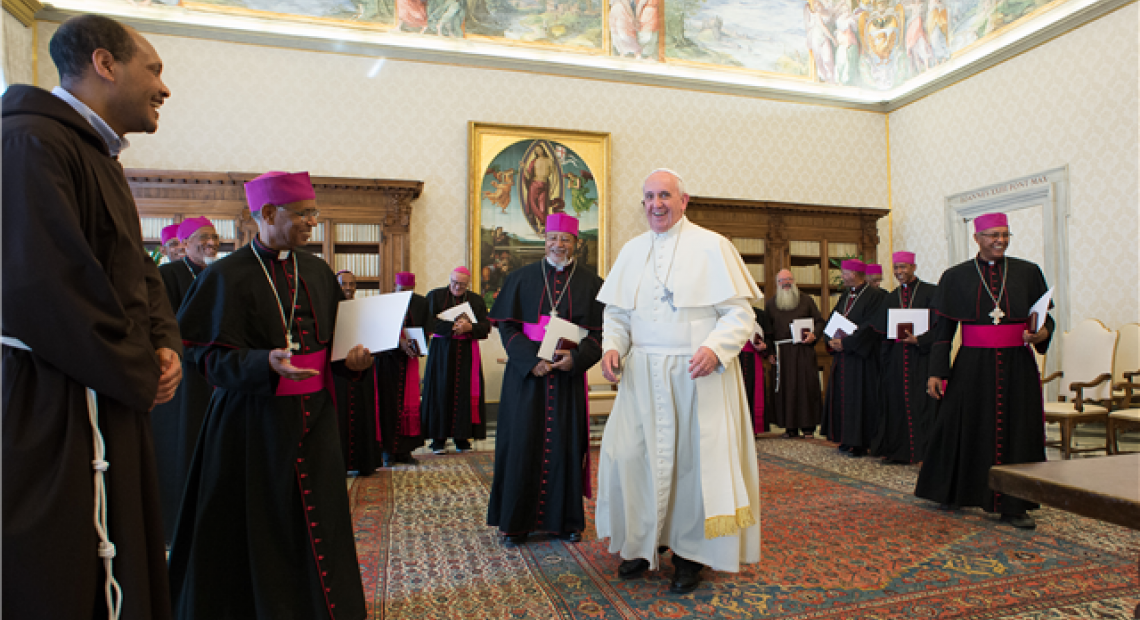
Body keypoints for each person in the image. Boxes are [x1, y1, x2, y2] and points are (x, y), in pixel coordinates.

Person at [2, 14, 181, 620]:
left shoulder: (95, 152)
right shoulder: (30, 141)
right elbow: (44, 286)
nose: (163, 87)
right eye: (153, 69)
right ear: (106, 64)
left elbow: (138, 272)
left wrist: (163, 345)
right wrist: (136, 367)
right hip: (56, 401)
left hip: (103, 388)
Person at [168, 171, 371, 619]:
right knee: (258, 527)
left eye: (314, 213)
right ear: (267, 214)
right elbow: (198, 354)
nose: (312, 222)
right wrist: (261, 365)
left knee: (319, 522)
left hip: (315, 419)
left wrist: (351, 363)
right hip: (250, 424)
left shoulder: (317, 270)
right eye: (303, 214)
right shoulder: (225, 275)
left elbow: (336, 346)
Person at [596, 169, 761, 594]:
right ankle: (640, 543)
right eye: (649, 196)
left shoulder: (712, 246)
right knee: (633, 458)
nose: (656, 204)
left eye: (664, 195)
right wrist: (612, 346)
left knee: (692, 468)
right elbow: (615, 314)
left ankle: (690, 556)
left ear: (684, 200)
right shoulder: (632, 251)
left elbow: (741, 316)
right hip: (641, 377)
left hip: (695, 375)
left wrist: (715, 347)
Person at [915, 212, 1052, 530]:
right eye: (993, 235)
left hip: (1018, 364)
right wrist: (938, 372)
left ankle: (1015, 504)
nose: (1000, 240)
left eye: (1005, 235)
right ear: (976, 238)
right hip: (972, 367)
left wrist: (1041, 335)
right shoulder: (955, 276)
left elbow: (1046, 321)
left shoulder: (1028, 272)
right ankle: (956, 491)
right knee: (965, 427)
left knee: (1018, 430)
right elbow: (943, 331)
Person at [486, 214, 605, 545]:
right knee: (521, 445)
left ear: (575, 243)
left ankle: (565, 521)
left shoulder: (591, 283)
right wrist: (530, 360)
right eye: (553, 238)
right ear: (545, 240)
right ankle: (515, 523)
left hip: (566, 382)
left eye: (565, 239)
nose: (558, 244)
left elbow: (599, 334)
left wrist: (576, 360)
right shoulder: (521, 278)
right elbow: (506, 327)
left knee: (565, 446)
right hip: (526, 380)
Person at [151, 216, 219, 544]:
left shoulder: (217, 274)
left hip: (215, 374)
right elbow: (163, 325)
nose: (211, 243)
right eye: (204, 238)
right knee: (182, 450)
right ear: (184, 243)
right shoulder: (167, 275)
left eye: (215, 238)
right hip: (184, 377)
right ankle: (175, 528)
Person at [871, 251, 938, 464]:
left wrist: (920, 340)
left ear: (914, 267)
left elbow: (940, 327)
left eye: (904, 267)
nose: (900, 272)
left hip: (922, 358)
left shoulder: (930, 292)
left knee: (922, 405)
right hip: (898, 360)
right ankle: (900, 451)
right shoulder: (892, 296)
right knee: (897, 403)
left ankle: (924, 452)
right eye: (896, 268)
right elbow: (882, 330)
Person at [821, 259, 887, 457]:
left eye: (844, 272)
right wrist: (831, 339)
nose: (842, 276)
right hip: (843, 358)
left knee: (859, 399)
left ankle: (860, 442)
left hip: (861, 360)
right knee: (843, 397)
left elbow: (871, 326)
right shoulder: (845, 296)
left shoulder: (874, 296)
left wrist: (847, 343)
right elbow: (833, 319)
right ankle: (845, 438)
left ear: (855, 274)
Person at [421, 266, 490, 454]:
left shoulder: (475, 300)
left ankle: (462, 438)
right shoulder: (435, 296)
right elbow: (427, 322)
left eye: (462, 284)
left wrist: (470, 328)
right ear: (449, 280)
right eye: (454, 283)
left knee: (464, 392)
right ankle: (438, 440)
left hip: (467, 352)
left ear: (468, 284)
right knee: (440, 391)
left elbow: (485, 327)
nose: (457, 287)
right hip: (442, 352)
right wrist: (453, 327)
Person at [332, 269, 384, 475]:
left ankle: (366, 462)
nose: (348, 288)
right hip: (338, 371)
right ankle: (341, 464)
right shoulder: (328, 310)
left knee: (364, 413)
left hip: (363, 370)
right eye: (343, 284)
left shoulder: (364, 309)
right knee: (340, 416)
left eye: (352, 284)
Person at [375, 271, 430, 467]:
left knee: (410, 406)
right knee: (388, 406)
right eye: (401, 290)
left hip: (409, 362)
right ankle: (389, 451)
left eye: (408, 290)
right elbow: (379, 329)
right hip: (387, 362)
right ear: (394, 287)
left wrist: (419, 347)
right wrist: (400, 342)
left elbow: (425, 329)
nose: (404, 293)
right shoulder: (385, 302)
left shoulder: (421, 303)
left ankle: (405, 451)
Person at [765, 269, 825, 438]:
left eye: (789, 279)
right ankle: (790, 427)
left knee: (806, 387)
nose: (786, 283)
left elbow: (820, 321)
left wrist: (814, 335)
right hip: (782, 353)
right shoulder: (771, 304)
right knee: (786, 389)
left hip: (803, 351)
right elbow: (767, 332)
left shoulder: (806, 300)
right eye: (782, 280)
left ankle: (808, 427)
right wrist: (769, 352)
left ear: (794, 281)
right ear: (777, 283)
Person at [740, 305, 775, 436]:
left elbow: (769, 338)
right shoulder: (728, 312)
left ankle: (752, 429)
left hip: (752, 358)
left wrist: (765, 346)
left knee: (753, 392)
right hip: (734, 359)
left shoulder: (759, 314)